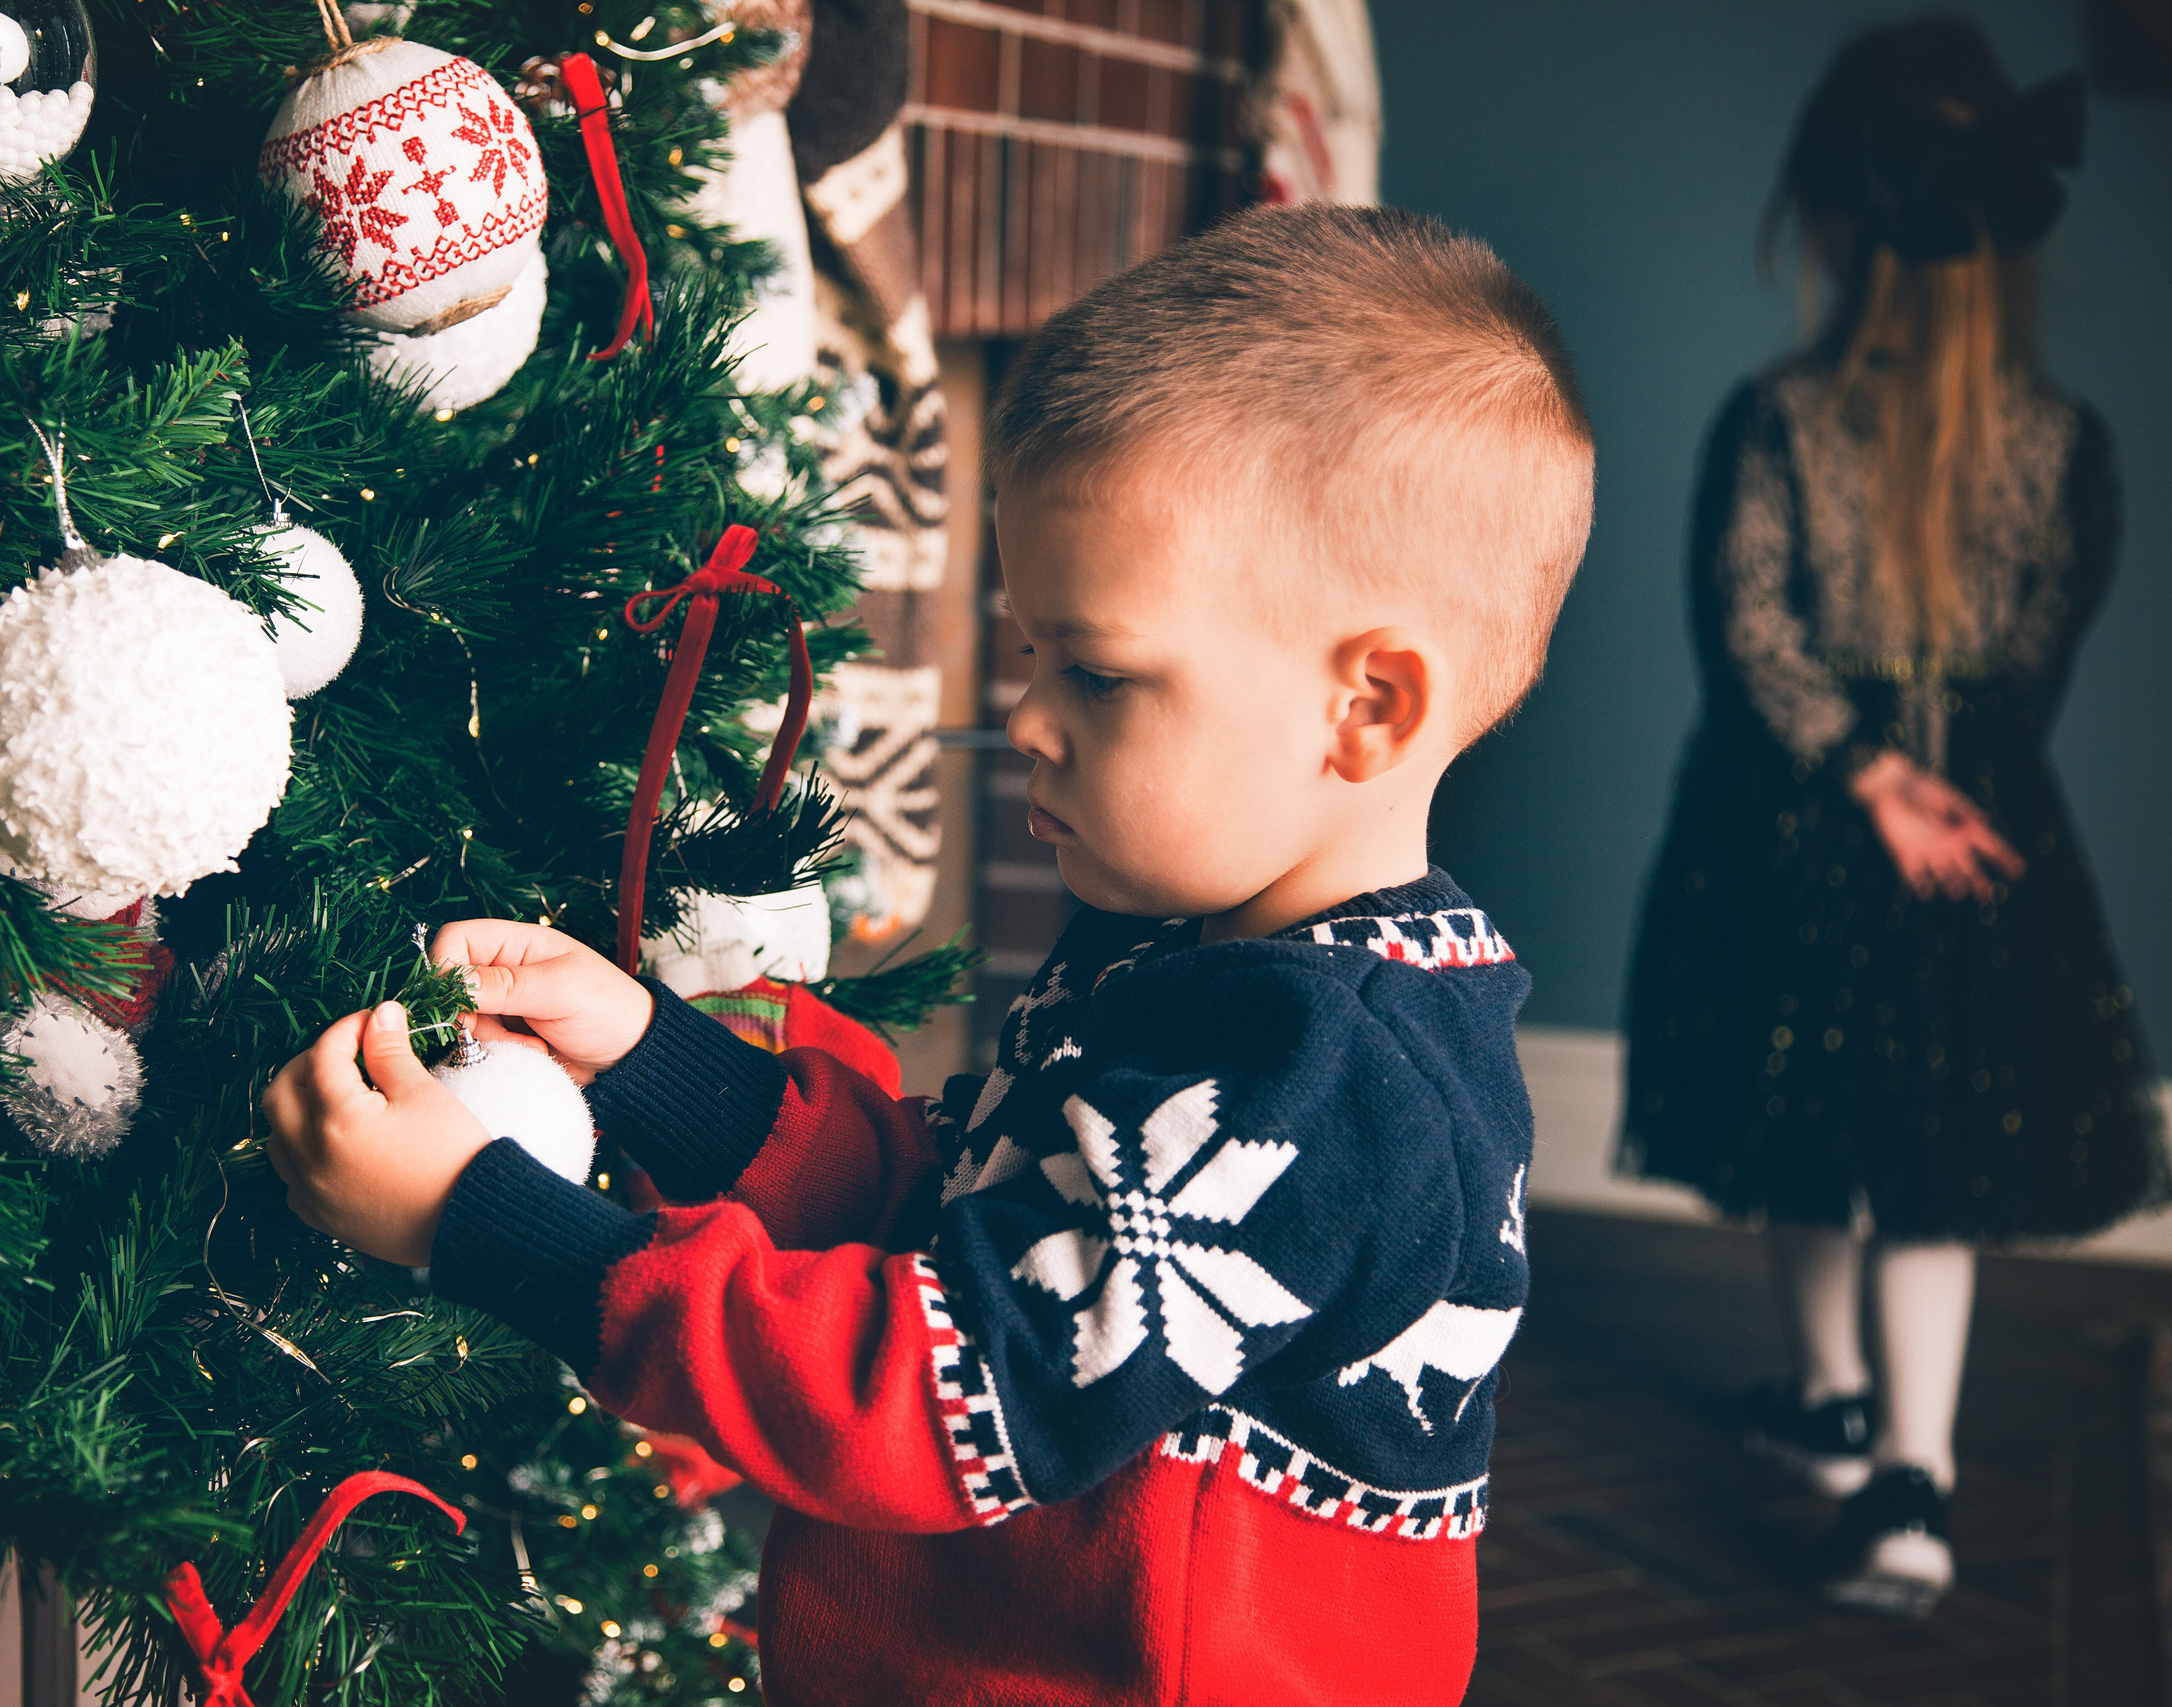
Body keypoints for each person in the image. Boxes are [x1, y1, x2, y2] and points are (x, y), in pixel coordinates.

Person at [263, 203, 1594, 1705]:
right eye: (1028, 650)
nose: (1024, 717)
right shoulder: (1186, 958)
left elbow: (940, 1389)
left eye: (1095, 670)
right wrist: (654, 1063)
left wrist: (484, 1224)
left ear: (1370, 707)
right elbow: (957, 1207)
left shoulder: (1331, 1085)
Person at [1620, 18, 2166, 1620]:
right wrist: (1938, 779)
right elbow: (2051, 638)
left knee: (1816, 1116)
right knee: (1927, 1142)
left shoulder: (1776, 416)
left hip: (1797, 821)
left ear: (1835, 221)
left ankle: (1863, 1427)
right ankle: (1876, 1440)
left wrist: (1861, 772)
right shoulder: (2071, 445)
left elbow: (1747, 632)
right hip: (1976, 831)